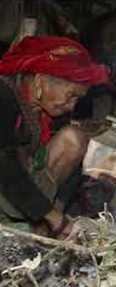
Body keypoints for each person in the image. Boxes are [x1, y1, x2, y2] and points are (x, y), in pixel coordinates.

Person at [0, 35, 110, 239]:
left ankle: (38, 222)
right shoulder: (4, 97)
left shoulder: (42, 110)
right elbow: (5, 168)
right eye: (71, 95)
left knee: (75, 139)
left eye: (78, 98)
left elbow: (73, 170)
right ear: (41, 81)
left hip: (16, 192)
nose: (73, 105)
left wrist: (55, 214)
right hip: (5, 182)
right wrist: (54, 218)